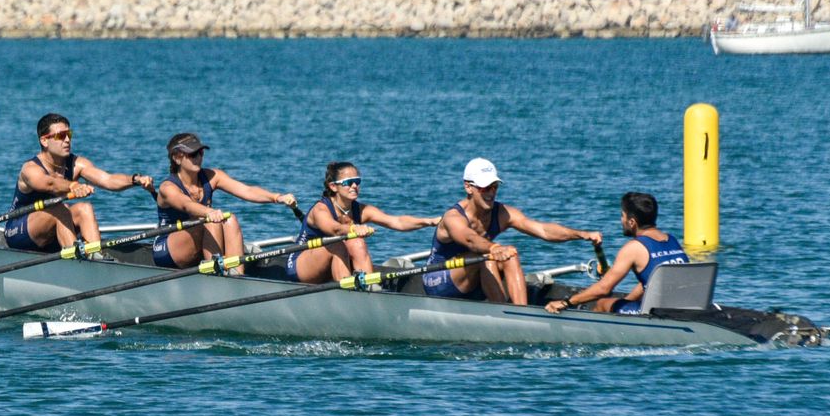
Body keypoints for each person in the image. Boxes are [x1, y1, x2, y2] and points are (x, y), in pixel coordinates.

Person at [420, 157, 603, 305]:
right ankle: (504, 316)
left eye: (494, 187)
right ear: (468, 187)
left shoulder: (502, 213)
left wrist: (581, 234)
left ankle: (521, 313)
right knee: (487, 257)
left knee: (510, 255)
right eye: (485, 188)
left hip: (471, 276)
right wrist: (493, 248)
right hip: (438, 281)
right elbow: (470, 240)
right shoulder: (453, 218)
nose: (491, 193)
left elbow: (543, 230)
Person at [5, 113, 154, 253]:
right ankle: (75, 260)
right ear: (44, 141)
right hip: (19, 232)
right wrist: (73, 186)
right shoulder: (30, 169)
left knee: (84, 208)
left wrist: (135, 179)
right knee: (59, 208)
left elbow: (108, 180)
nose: (67, 140)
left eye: (69, 134)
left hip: (52, 232)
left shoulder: (77, 164)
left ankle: (95, 255)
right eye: (61, 136)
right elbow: (50, 184)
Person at [151, 132, 297, 269]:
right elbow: (186, 205)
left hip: (198, 240)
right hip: (167, 250)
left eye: (201, 153)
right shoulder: (167, 188)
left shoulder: (212, 176)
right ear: (177, 158)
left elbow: (247, 190)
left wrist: (277, 197)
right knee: (210, 221)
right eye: (193, 154)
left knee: (230, 219)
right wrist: (210, 212)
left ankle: (235, 274)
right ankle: (215, 273)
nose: (199, 158)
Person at [285, 162, 439, 285]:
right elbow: (335, 229)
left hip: (334, 262)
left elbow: (397, 221)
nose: (354, 186)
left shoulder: (361, 209)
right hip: (300, 265)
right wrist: (354, 228)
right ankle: (348, 293)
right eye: (348, 182)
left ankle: (370, 289)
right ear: (333, 186)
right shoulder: (320, 210)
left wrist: (429, 221)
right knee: (338, 243)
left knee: (357, 243)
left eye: (357, 181)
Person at [545, 192, 690, 315]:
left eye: (623, 216)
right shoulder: (671, 240)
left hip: (659, 314)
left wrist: (566, 302)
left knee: (602, 304)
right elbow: (651, 281)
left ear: (632, 222)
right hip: (685, 307)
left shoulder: (634, 248)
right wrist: (628, 301)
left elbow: (603, 289)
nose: (621, 220)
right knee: (621, 303)